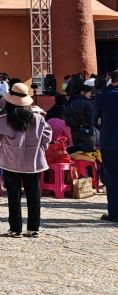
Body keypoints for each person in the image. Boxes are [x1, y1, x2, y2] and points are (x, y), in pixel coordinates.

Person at [0, 82, 50, 238]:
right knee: (34, 194)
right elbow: (47, 136)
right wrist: (41, 146)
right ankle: (34, 228)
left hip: (11, 161)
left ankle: (15, 229)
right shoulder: (38, 117)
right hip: (34, 161)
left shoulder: (2, 119)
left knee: (14, 195)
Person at [92, 78, 118, 222]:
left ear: (113, 81)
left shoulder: (102, 96)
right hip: (109, 139)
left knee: (112, 177)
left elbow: (94, 120)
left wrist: (105, 128)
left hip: (110, 140)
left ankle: (115, 212)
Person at [64, 83, 96, 153]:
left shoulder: (70, 102)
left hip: (74, 131)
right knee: (89, 152)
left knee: (77, 152)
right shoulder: (87, 103)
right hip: (87, 131)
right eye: (89, 93)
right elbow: (91, 119)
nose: (90, 95)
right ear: (82, 92)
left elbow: (67, 118)